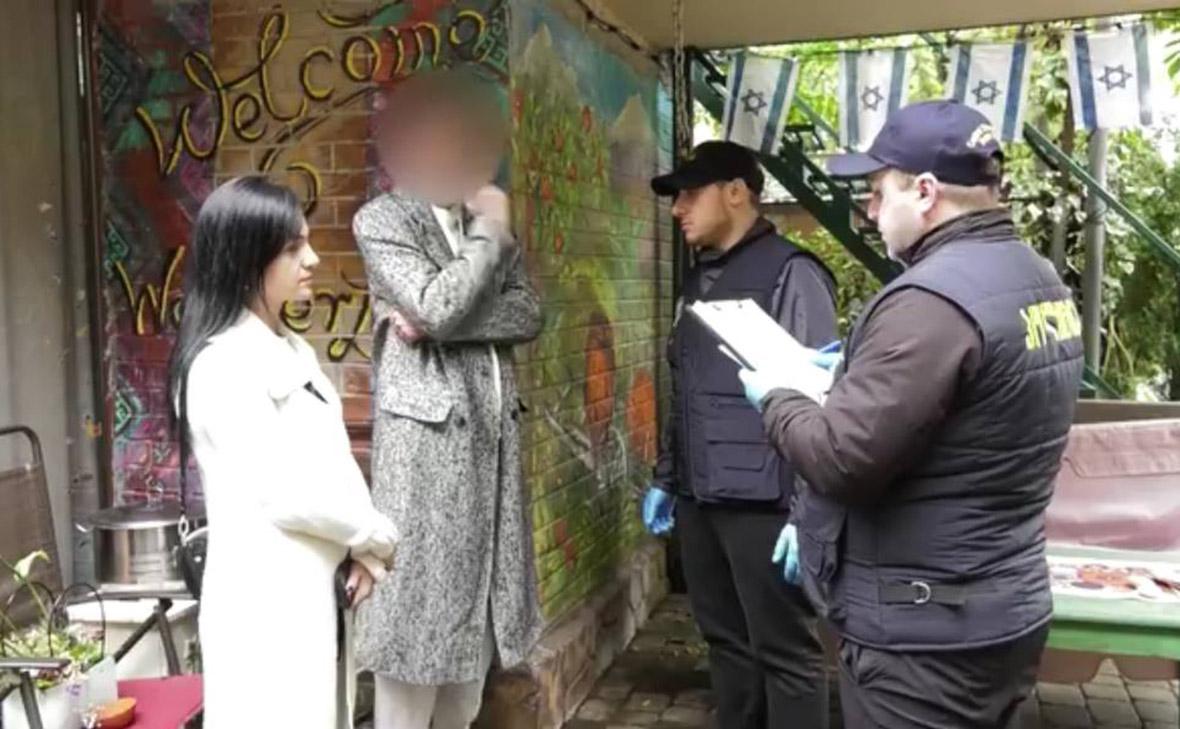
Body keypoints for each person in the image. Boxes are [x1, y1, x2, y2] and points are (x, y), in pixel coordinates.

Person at [739, 101, 1085, 728]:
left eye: (878, 192)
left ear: (924, 192)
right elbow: (969, 421)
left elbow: (841, 459)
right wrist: (851, 375)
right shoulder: (1038, 278)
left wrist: (779, 396)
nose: (870, 212)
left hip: (925, 635)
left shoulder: (930, 302)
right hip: (1002, 604)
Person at [352, 69, 544, 729]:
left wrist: (446, 318)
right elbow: (437, 303)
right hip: (430, 455)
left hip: (492, 448)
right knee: (416, 638)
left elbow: (528, 313)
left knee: (471, 656)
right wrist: (485, 245)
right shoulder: (384, 220)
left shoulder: (477, 220)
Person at [170, 176, 398, 729]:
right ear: (246, 257)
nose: (313, 259)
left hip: (318, 603)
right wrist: (374, 535)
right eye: (294, 248)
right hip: (265, 613)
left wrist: (364, 554)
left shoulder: (292, 349)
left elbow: (335, 463)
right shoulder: (219, 365)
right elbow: (284, 492)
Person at [644, 140, 837, 729]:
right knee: (725, 644)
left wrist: (808, 512)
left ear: (736, 193)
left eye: (689, 194)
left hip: (765, 504)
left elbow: (817, 402)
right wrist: (668, 479)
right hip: (700, 498)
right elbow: (686, 389)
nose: (678, 209)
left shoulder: (792, 274)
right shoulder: (698, 282)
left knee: (786, 653)